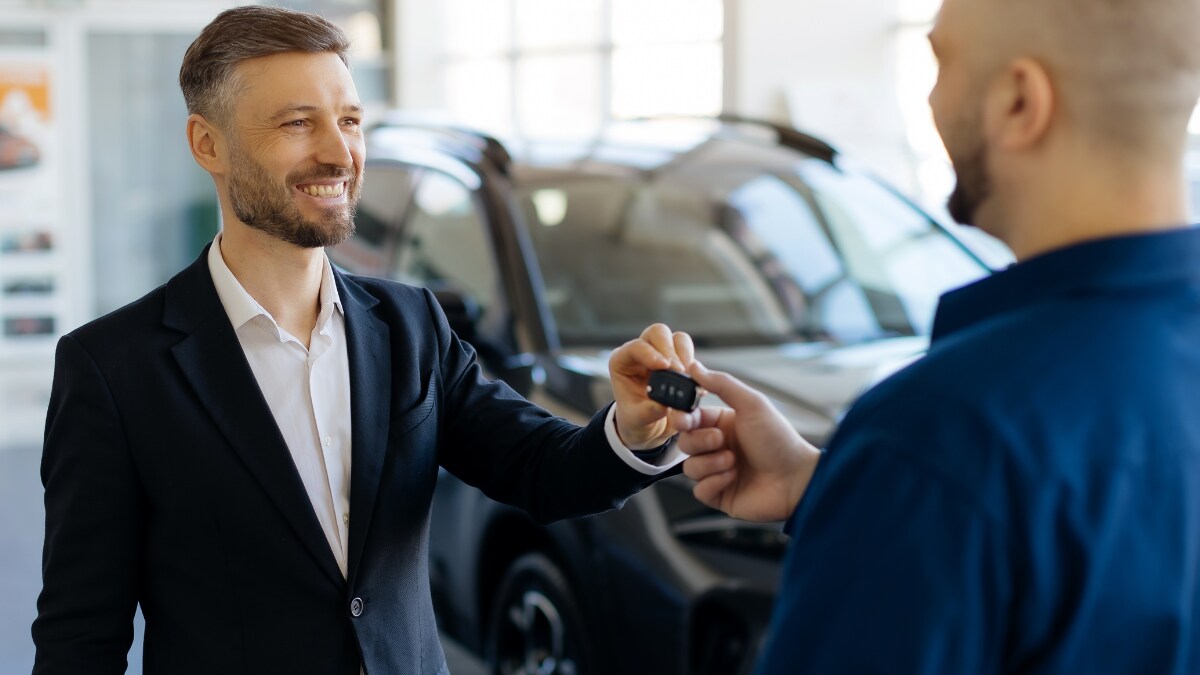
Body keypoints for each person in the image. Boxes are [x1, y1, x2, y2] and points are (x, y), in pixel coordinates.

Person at [31, 7, 694, 674]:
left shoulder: (411, 325)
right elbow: (79, 639)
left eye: (349, 120)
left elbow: (541, 469)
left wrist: (633, 433)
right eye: (298, 122)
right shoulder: (115, 369)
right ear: (209, 145)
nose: (338, 152)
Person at [674, 0, 1200, 672]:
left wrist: (891, 484)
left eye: (941, 62)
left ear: (1019, 102)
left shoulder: (939, 435)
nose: (929, 97)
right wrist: (828, 484)